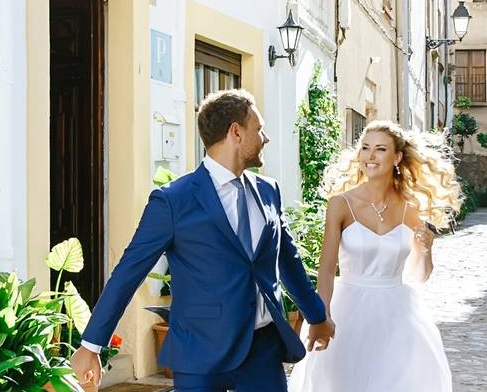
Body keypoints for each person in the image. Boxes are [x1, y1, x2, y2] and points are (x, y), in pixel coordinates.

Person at [71, 89, 336, 392]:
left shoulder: (268, 191)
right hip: (199, 354)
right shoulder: (173, 200)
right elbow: (129, 271)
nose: (266, 138)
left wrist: (317, 316)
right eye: (259, 129)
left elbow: (288, 262)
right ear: (236, 132)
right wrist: (91, 345)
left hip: (263, 351)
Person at [288, 120, 461, 392]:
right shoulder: (341, 204)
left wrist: (427, 249)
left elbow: (420, 275)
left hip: (398, 315)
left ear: (397, 157)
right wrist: (323, 316)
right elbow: (326, 268)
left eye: (380, 149)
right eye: (365, 148)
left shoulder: (411, 209)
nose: (370, 156)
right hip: (348, 312)